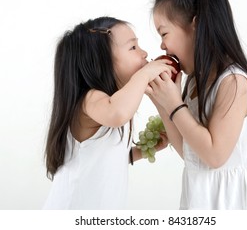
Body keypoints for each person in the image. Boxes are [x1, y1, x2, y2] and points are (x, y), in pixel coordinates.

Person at [147, 0, 247, 209]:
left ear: (195, 25)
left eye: (164, 33)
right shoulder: (194, 81)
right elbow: (192, 154)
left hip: (239, 204)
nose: (162, 46)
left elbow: (214, 155)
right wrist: (162, 104)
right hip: (206, 200)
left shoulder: (233, 83)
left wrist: (174, 104)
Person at [43, 16, 174, 210]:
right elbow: (118, 113)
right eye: (133, 48)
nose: (144, 53)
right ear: (101, 61)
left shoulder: (109, 103)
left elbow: (103, 159)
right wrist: (145, 74)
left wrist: (141, 152)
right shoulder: (90, 100)